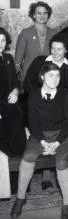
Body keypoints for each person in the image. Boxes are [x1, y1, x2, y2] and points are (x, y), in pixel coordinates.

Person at [10, 62, 68, 219]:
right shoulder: (33, 95)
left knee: (61, 163)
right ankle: (20, 199)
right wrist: (43, 142)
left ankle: (66, 205)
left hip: (63, 137)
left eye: (58, 75)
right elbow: (33, 122)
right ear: (42, 77)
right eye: (51, 75)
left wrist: (57, 143)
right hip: (40, 137)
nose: (55, 79)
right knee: (27, 158)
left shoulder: (66, 95)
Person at [23, 34, 68, 190]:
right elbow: (27, 82)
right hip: (42, 106)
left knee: (64, 140)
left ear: (65, 50)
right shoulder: (41, 61)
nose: (55, 52)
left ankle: (65, 173)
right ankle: (46, 176)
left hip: (63, 109)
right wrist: (41, 97)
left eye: (59, 49)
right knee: (44, 136)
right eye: (53, 48)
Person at [15, 1, 57, 82]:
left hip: (48, 76)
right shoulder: (25, 33)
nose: (42, 16)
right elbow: (17, 61)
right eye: (39, 13)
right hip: (28, 76)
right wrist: (20, 79)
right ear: (34, 15)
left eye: (45, 13)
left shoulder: (54, 33)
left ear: (48, 15)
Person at [0, 28, 26, 156]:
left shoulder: (8, 57)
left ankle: (16, 174)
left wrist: (16, 91)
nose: (0, 43)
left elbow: (16, 81)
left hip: (11, 103)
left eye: (3, 40)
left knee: (18, 142)